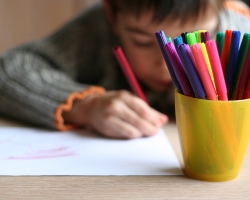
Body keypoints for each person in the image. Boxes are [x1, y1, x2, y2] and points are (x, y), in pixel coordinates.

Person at [0, 0, 249, 139]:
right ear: (111, 14)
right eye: (142, 42)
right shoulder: (95, 28)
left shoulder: (240, 28)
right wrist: (85, 105)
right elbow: (10, 70)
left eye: (190, 42)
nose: (165, 66)